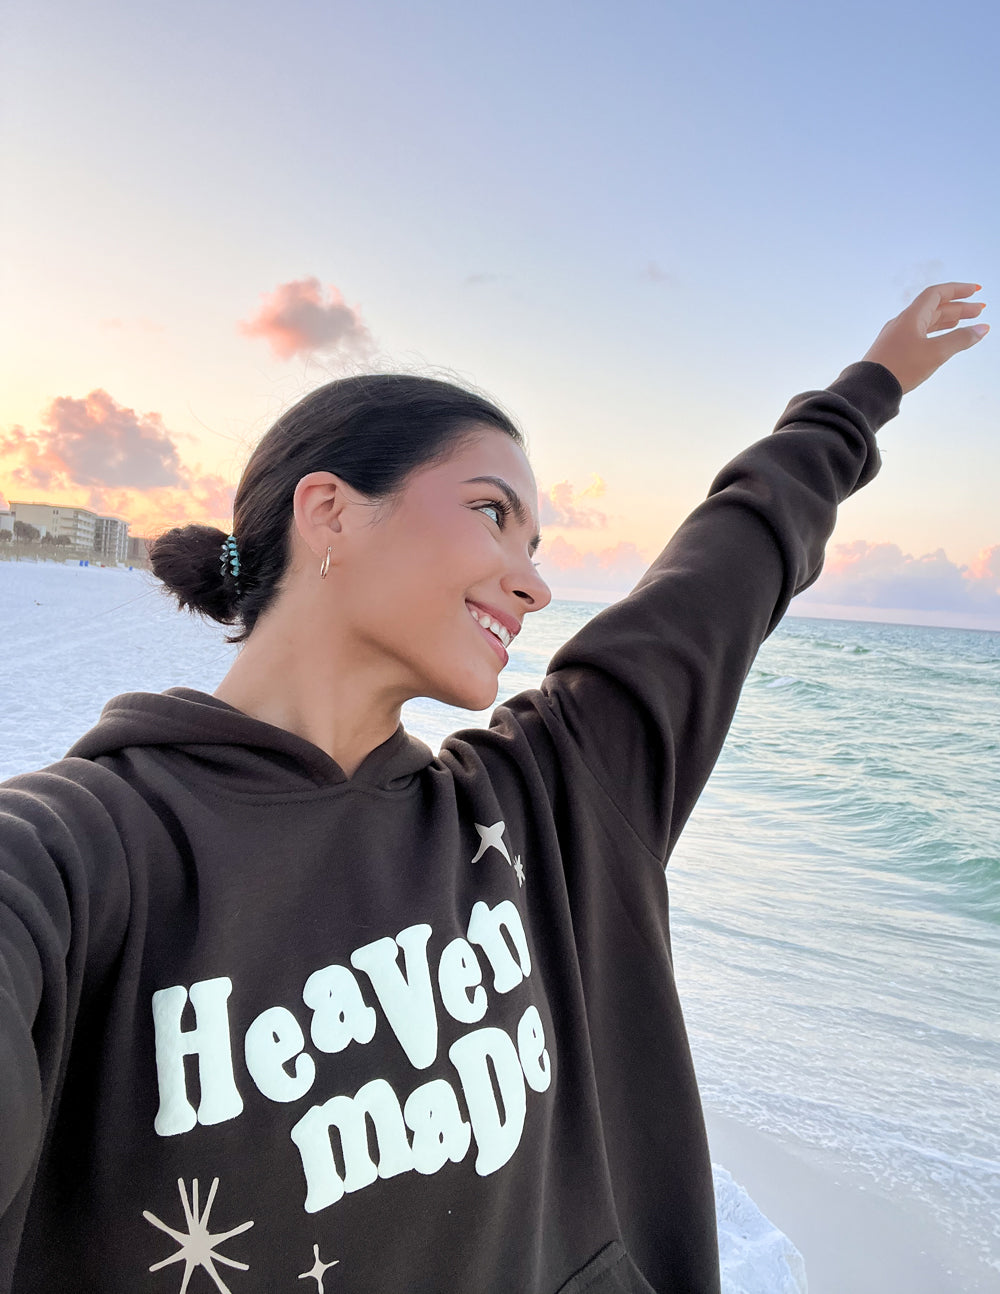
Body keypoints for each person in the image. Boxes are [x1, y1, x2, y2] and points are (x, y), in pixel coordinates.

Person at [0, 284, 988, 1293]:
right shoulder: (75, 853)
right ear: (330, 511)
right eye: (491, 512)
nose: (534, 583)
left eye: (535, 547)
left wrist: (872, 387)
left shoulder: (545, 800)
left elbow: (724, 565)